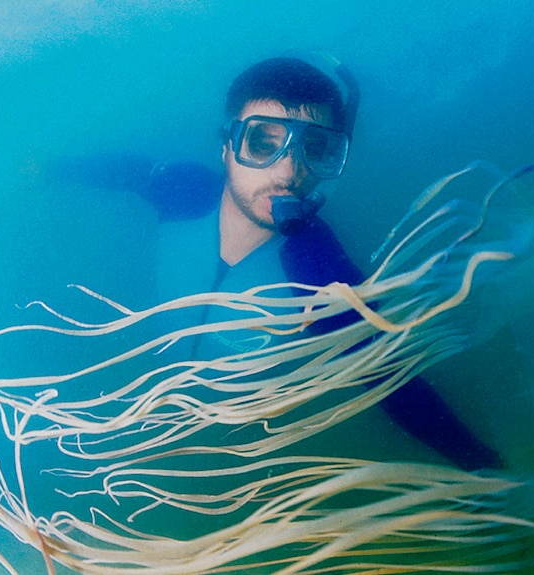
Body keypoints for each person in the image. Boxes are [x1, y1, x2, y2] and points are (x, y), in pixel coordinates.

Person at [54, 55, 501, 471]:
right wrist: (43, 168)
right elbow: (123, 170)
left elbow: (392, 383)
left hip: (231, 445)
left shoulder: (317, 270)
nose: (288, 172)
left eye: (316, 149)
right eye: (262, 142)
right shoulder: (184, 189)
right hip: (127, 394)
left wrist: (485, 467)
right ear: (226, 146)